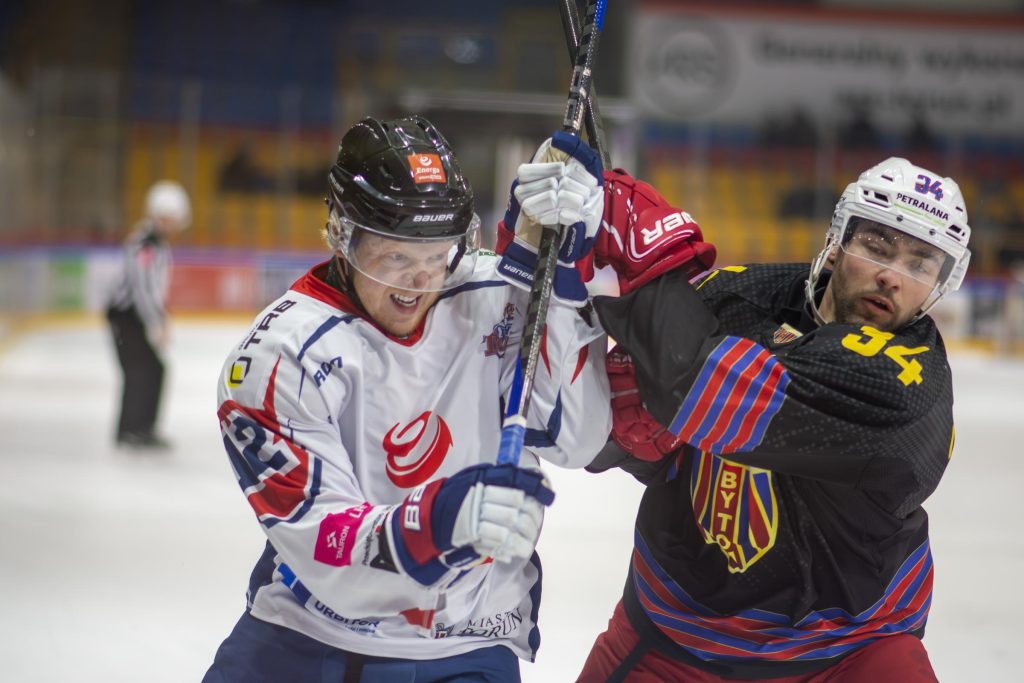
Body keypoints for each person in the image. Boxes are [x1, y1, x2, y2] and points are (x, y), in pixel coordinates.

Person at [203, 116, 611, 682]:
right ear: (342, 237)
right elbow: (326, 548)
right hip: (305, 641)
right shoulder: (278, 360)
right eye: (395, 257)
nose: (420, 281)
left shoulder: (495, 297)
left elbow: (576, 439)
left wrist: (559, 275)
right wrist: (439, 523)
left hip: (467, 646)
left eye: (437, 253)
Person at [561, 157, 970, 681]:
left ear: (941, 282)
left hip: (852, 650)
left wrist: (640, 249)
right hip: (676, 635)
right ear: (838, 238)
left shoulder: (906, 388)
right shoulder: (745, 294)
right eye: (877, 246)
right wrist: (618, 435)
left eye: (922, 263)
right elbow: (643, 421)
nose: (892, 275)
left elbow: (694, 389)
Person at [105, 179, 191, 449]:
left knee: (153, 369)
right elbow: (141, 289)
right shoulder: (144, 244)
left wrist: (160, 317)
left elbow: (152, 289)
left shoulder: (156, 244)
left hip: (136, 315)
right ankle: (130, 431)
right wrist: (157, 322)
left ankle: (142, 428)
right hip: (127, 316)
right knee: (138, 371)